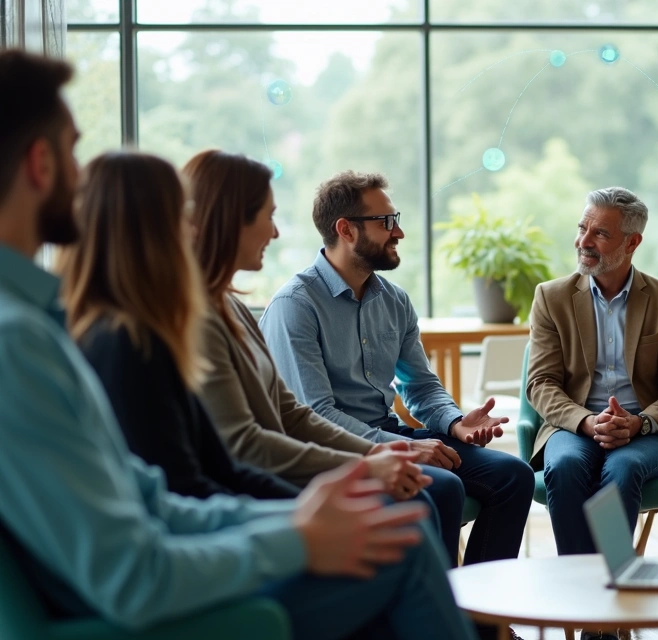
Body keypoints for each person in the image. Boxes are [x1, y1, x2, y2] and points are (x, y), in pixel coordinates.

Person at [0, 49, 475, 640]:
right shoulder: (30, 343)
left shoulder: (46, 328)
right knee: (402, 541)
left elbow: (153, 497)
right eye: (74, 151)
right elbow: (136, 570)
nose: (80, 177)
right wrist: (297, 534)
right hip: (145, 610)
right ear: (41, 162)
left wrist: (299, 520)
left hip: (181, 558)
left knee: (406, 525)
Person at [182, 149, 467, 557]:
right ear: (228, 220)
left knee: (499, 476)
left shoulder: (233, 308)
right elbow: (252, 442)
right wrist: (374, 459)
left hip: (354, 443)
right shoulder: (247, 311)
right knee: (428, 495)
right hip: (260, 489)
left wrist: (411, 439)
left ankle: (464, 599)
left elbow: (291, 414)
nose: (275, 233)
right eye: (268, 216)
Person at [258, 170, 534, 572]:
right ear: (345, 230)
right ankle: (439, 607)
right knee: (442, 487)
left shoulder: (395, 300)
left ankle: (480, 609)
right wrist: (401, 448)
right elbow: (316, 416)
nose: (399, 232)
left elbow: (420, 386)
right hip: (335, 451)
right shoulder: (295, 306)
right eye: (386, 221)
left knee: (515, 476)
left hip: (388, 432)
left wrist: (455, 422)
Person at [59, 150, 298, 500]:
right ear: (149, 233)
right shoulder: (128, 342)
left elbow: (221, 470)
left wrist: (310, 509)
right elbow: (185, 491)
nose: (194, 230)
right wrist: (306, 517)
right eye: (183, 215)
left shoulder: (143, 331)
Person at [527, 187, 658, 624]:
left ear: (632, 242)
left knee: (622, 468)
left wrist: (640, 423)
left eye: (600, 233)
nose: (583, 240)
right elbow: (540, 383)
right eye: (582, 228)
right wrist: (586, 422)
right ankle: (586, 604)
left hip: (645, 431)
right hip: (574, 426)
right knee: (565, 467)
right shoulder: (551, 297)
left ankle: (606, 617)